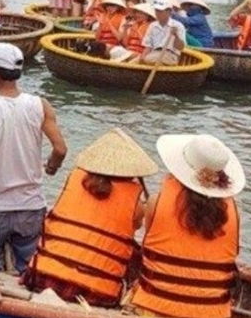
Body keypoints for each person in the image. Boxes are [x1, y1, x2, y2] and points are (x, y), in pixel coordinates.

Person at [0, 42, 67, 272]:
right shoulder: (40, 105)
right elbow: (60, 149)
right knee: (28, 271)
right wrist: (51, 167)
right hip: (30, 208)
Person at [23, 128, 158, 305]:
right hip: (97, 294)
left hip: (41, 278)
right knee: (134, 253)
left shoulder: (75, 180)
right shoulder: (135, 204)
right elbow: (134, 227)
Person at [129, 133, 244, 318]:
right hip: (212, 316)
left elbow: (147, 250)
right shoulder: (235, 214)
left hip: (154, 310)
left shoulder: (155, 203)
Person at [139, 0, 186, 65]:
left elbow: (181, 48)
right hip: (154, 54)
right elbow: (148, 46)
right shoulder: (152, 25)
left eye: (160, 11)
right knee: (139, 60)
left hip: (170, 55)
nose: (157, 13)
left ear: (169, 12)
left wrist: (176, 36)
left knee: (151, 59)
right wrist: (142, 58)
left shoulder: (178, 26)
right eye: (156, 10)